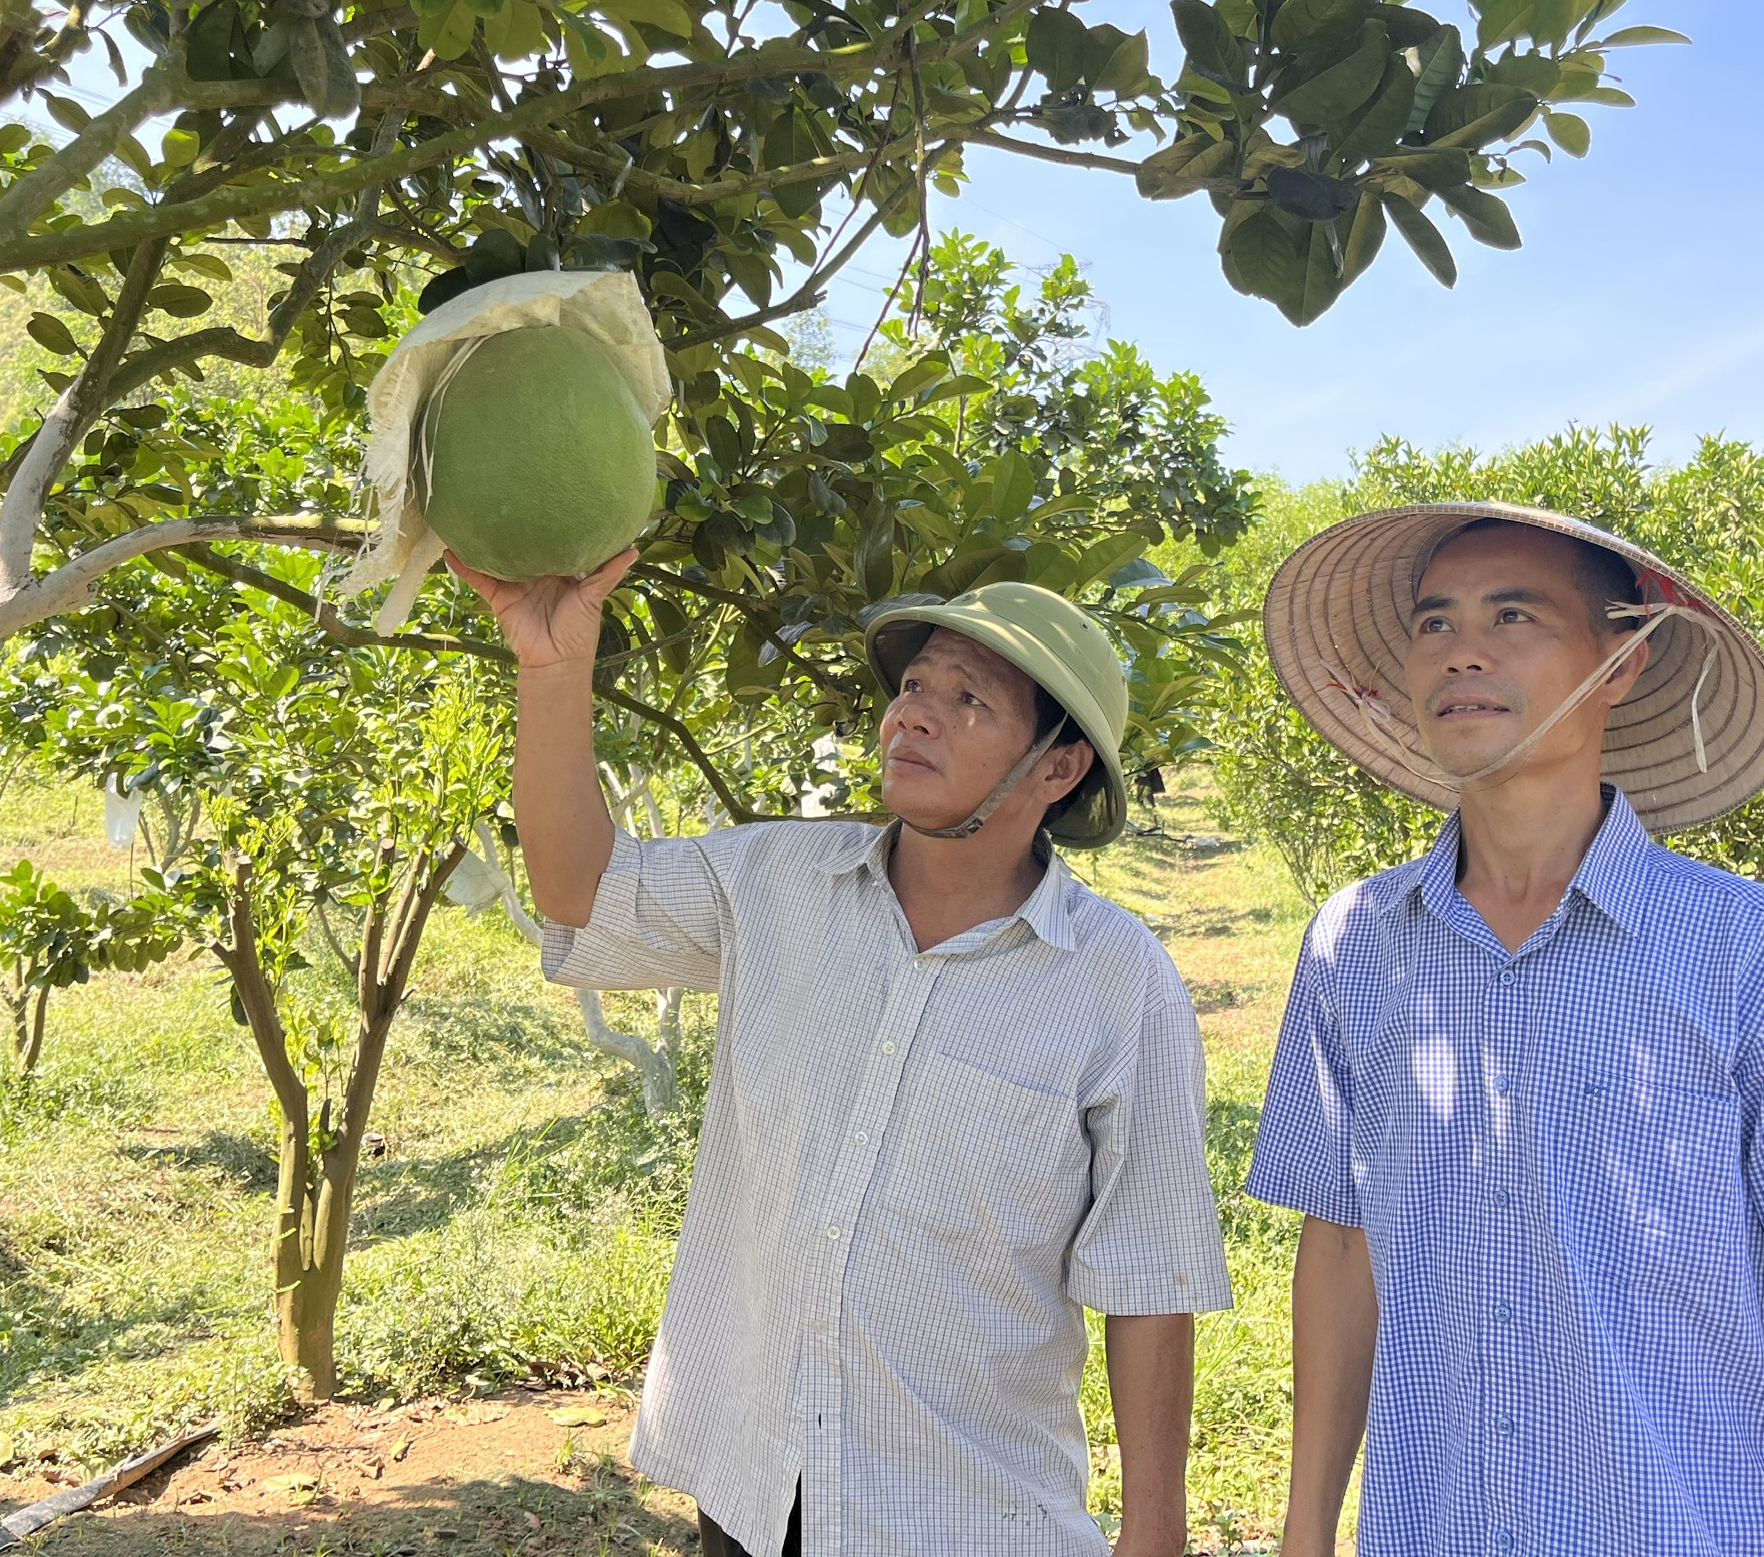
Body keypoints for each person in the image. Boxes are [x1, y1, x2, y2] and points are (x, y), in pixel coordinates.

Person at [454, 552, 1232, 1557]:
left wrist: (1156, 1531)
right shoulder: (776, 883)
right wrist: (553, 671)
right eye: (912, 686)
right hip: (752, 1482)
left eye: (967, 699)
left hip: (963, 1514)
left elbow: (1150, 1269)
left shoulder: (1116, 982)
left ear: (1056, 766)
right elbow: (577, 891)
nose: (913, 715)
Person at [1246, 505, 1764, 1557]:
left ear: (1619, 662)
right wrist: (1307, 1532)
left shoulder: (1762, 955)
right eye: (1434, 624)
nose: (1465, 652)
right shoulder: (1355, 943)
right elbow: (1342, 1246)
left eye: (1514, 615)